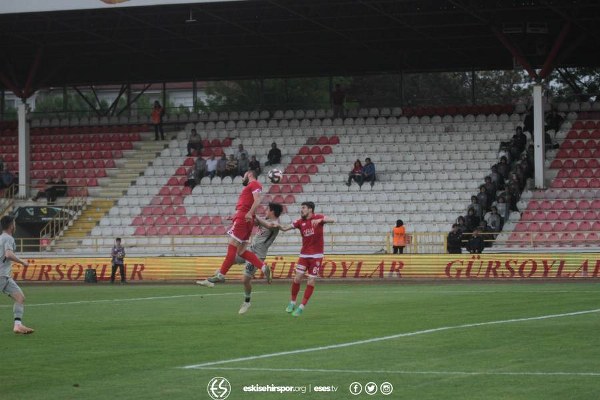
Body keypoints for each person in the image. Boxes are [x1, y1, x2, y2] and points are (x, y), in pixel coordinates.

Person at [196, 169, 272, 287]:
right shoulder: (252, 186)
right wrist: (235, 216)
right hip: (245, 218)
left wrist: (247, 213)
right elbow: (248, 203)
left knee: (232, 246)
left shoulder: (254, 184)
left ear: (249, 174)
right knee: (241, 251)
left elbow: (258, 199)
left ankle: (221, 275)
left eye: (244, 175)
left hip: (244, 218)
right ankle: (263, 267)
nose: (243, 178)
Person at [279, 201, 335, 317]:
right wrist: (274, 225)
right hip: (304, 255)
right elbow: (284, 228)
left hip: (317, 256)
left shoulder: (318, 217)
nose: (301, 210)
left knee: (311, 280)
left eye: (303, 208)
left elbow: (333, 220)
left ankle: (301, 307)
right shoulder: (300, 222)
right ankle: (292, 302)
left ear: (310, 209)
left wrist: (320, 220)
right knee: (297, 278)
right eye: (301, 208)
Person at [236, 202, 284, 314]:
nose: (265, 212)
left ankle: (247, 302)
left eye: (267, 210)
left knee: (245, 280)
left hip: (258, 255)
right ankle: (219, 275)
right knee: (231, 258)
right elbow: (253, 221)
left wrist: (253, 214)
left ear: (272, 211)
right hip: (249, 250)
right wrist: (239, 218)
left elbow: (265, 224)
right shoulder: (264, 221)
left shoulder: (275, 225)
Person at [0, 215, 34, 334]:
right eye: (14, 223)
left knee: (20, 297)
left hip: (5, 277)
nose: (15, 226)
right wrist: (22, 262)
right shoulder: (8, 238)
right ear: (11, 226)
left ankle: (18, 325)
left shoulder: (1, 238)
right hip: (1, 276)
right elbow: (8, 254)